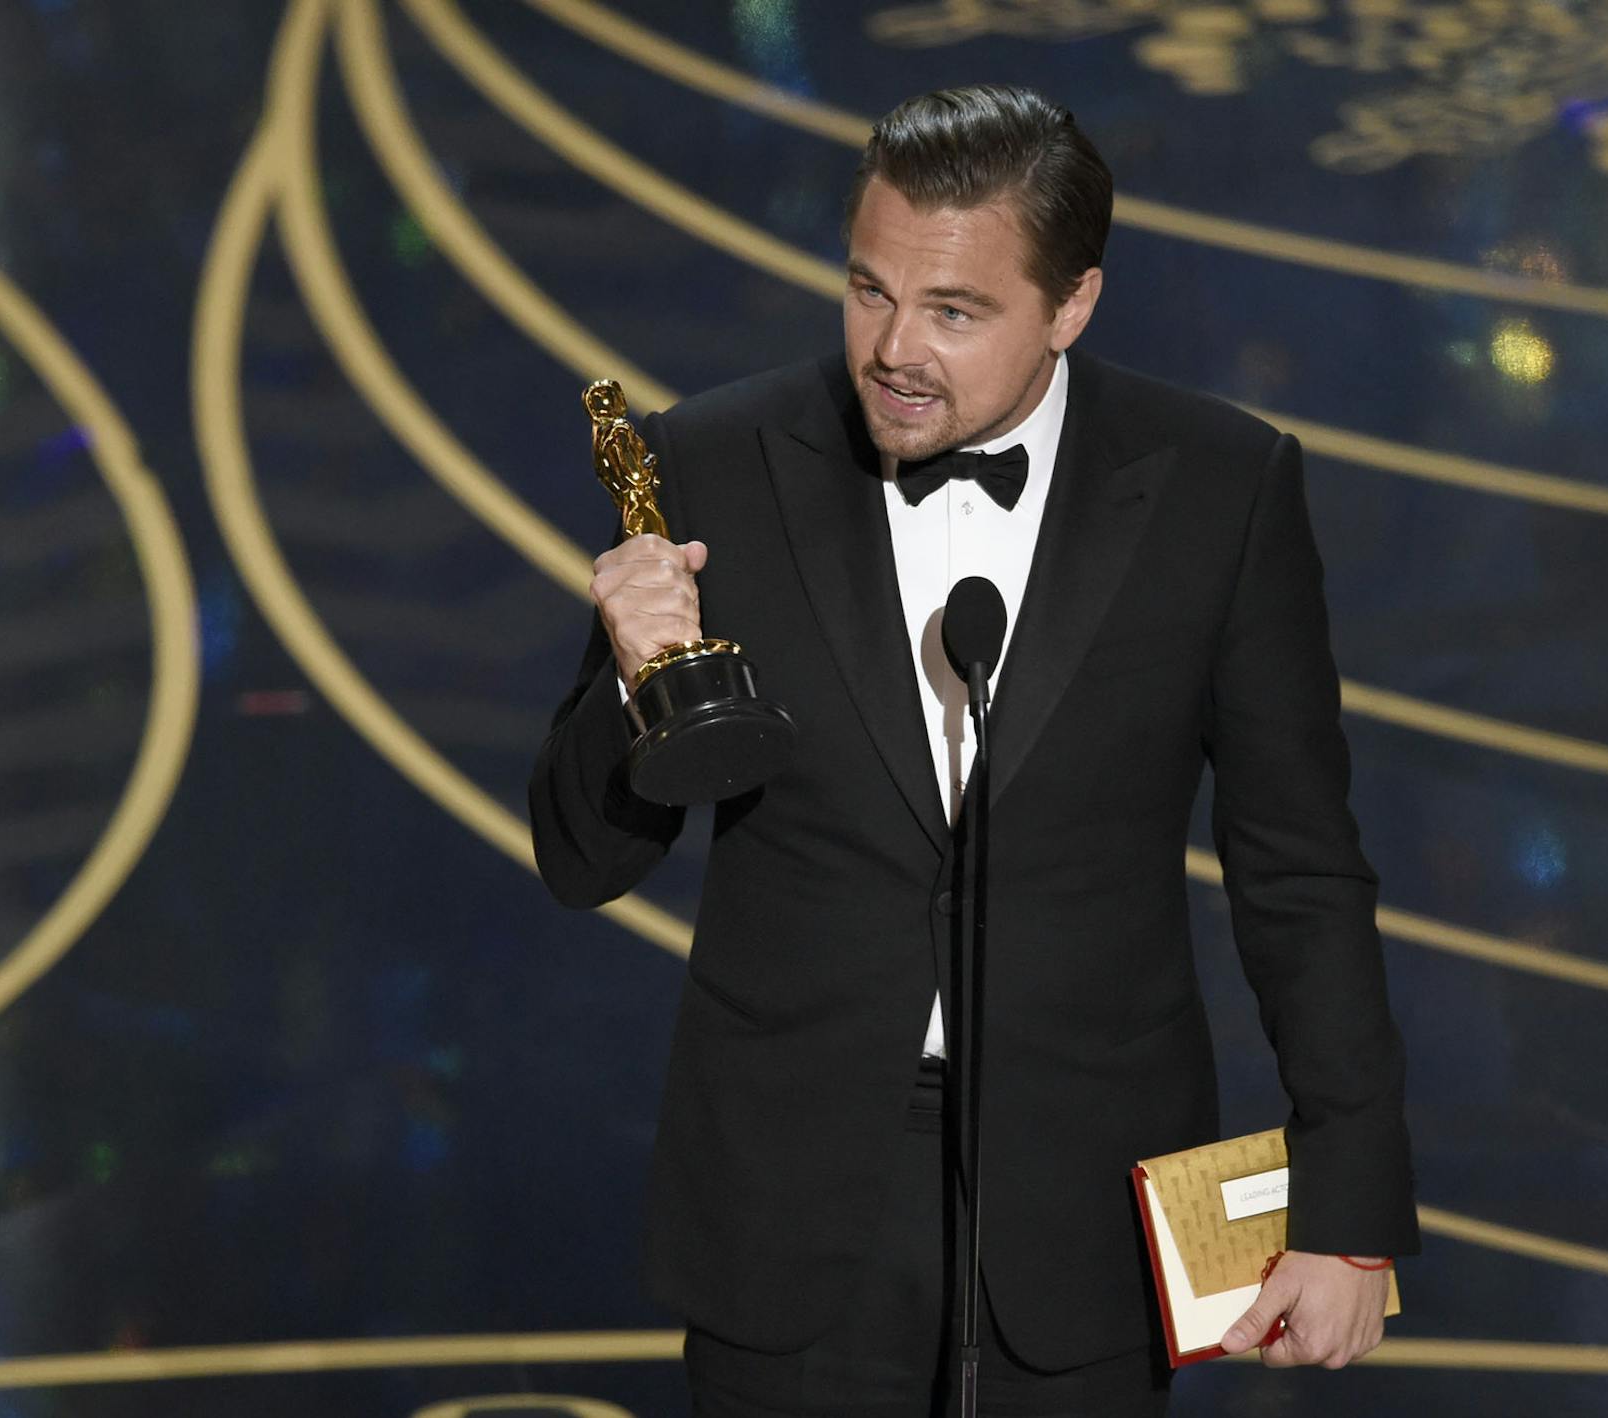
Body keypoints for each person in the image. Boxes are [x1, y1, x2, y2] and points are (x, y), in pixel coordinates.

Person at [530, 84, 1417, 1417]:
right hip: (791, 1209)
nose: (892, 349)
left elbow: (1299, 869)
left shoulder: (1219, 489)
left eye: (954, 311)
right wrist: (631, 678)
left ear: (1072, 306)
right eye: (868, 290)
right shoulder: (710, 463)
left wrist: (1347, 1211)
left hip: (1085, 1210)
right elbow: (579, 855)